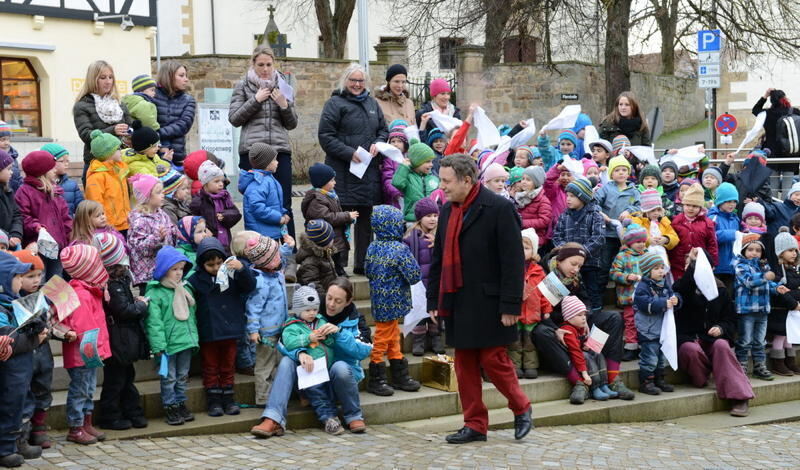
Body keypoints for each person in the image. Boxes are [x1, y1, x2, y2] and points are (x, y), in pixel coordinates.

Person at [426, 154, 532, 444]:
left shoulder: (499, 208)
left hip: (490, 301)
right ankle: (474, 424)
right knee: (464, 363)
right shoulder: (447, 210)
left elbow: (512, 260)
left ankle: (521, 407)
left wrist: (511, 304)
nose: (442, 186)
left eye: (447, 181)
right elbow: (438, 259)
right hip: (458, 299)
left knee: (493, 359)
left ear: (467, 180)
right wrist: (433, 299)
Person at [533, 243, 635, 403]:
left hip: (578, 326)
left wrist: (584, 317)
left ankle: (611, 377)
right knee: (541, 332)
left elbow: (586, 300)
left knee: (613, 318)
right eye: (573, 264)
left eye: (580, 266)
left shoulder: (575, 277)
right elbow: (543, 312)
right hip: (557, 326)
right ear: (559, 260)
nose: (576, 269)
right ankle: (580, 383)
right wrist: (557, 328)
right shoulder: (546, 274)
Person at [318, 64, 389, 274]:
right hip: (342, 172)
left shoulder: (372, 103)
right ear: (345, 81)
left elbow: (383, 130)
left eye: (361, 81)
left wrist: (379, 142)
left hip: (367, 172)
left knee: (365, 221)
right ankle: (339, 265)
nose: (357, 85)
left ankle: (363, 264)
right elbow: (326, 137)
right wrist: (349, 153)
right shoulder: (334, 103)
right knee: (341, 220)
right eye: (353, 80)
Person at [674, 248, 755, 417]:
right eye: (689, 265)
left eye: (696, 265)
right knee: (691, 350)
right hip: (689, 338)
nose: (692, 268)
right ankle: (704, 375)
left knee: (722, 345)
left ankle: (739, 396)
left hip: (711, 339)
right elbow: (684, 288)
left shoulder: (721, 290)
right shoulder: (682, 287)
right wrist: (694, 264)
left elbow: (730, 320)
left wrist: (721, 328)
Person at [229, 45, 298, 238]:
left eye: (268, 64)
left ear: (274, 64)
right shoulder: (243, 86)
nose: (265, 69)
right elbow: (234, 118)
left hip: (279, 151)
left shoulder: (284, 86)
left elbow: (292, 124)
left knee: (284, 203)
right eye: (261, 64)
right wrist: (255, 100)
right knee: (256, 203)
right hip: (252, 153)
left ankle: (288, 251)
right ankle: (254, 249)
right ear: (253, 64)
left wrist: (284, 106)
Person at [188, 238, 256, 417]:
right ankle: (214, 400)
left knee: (228, 366)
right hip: (209, 330)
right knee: (210, 366)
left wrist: (242, 269)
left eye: (219, 263)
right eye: (211, 265)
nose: (216, 268)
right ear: (202, 264)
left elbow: (250, 286)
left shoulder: (231, 274)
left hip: (230, 329)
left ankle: (228, 398)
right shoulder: (196, 280)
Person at [364, 205, 422, 396]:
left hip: (378, 300)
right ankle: (377, 376)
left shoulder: (372, 246)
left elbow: (367, 271)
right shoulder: (400, 249)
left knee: (391, 334)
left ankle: (398, 372)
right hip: (395, 300)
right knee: (383, 337)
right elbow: (414, 275)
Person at [94, 233, 149, 431]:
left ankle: (132, 411)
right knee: (115, 380)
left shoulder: (120, 280)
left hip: (124, 337)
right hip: (117, 337)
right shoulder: (111, 284)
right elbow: (124, 310)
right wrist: (141, 307)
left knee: (126, 377)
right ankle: (111, 416)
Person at [59, 244, 111, 445]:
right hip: (82, 353)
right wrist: (97, 348)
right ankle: (75, 426)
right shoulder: (80, 293)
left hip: (90, 352)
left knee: (88, 388)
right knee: (80, 389)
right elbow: (84, 328)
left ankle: (86, 422)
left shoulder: (90, 290)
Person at [0, 252, 48, 466]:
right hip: (9, 371)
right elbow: (9, 342)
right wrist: (35, 339)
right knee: (8, 406)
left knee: (19, 404)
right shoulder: (2, 309)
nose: (22, 280)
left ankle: (14, 443)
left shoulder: (14, 303)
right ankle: (5, 449)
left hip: (21, 372)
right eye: (18, 276)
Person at [145, 246, 198, 426]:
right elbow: (154, 323)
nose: (178, 273)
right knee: (169, 378)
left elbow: (192, 317)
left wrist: (194, 338)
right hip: (167, 345)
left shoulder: (185, 289)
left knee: (183, 375)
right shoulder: (155, 293)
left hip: (185, 342)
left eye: (181, 269)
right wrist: (158, 346)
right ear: (164, 269)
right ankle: (170, 406)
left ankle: (180, 402)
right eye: (174, 269)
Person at [10, 250, 54, 451]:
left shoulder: (42, 296)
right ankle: (22, 435)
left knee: (43, 387)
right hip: (25, 353)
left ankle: (39, 428)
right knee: (25, 393)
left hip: (43, 352)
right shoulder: (12, 300)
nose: (36, 280)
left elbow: (49, 322)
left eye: (39, 276)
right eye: (30, 276)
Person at [242, 234, 292, 406]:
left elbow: (279, 254)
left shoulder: (275, 272)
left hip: (280, 328)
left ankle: (275, 394)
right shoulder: (261, 282)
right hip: (265, 333)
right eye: (277, 256)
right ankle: (263, 398)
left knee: (277, 364)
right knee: (264, 366)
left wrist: (289, 246)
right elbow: (253, 309)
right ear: (269, 262)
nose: (280, 257)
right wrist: (253, 330)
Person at [14, 151, 73, 280]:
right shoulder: (24, 191)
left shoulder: (55, 191)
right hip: (38, 246)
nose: (55, 170)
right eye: (52, 168)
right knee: (39, 280)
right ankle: (41, 301)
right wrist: (37, 227)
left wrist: (69, 235)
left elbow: (65, 217)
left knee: (56, 280)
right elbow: (23, 216)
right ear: (42, 172)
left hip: (57, 246)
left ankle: (55, 301)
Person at [733, 234, 784, 381]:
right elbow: (749, 282)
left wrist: (777, 288)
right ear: (744, 251)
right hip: (747, 310)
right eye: (750, 249)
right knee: (745, 340)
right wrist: (765, 277)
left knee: (760, 341)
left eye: (758, 250)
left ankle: (759, 366)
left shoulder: (763, 265)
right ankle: (741, 366)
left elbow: (768, 284)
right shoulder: (740, 266)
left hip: (762, 309)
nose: (754, 253)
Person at [551, 178, 606, 312]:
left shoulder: (595, 215)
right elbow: (557, 236)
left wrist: (581, 252)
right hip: (567, 265)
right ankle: (567, 315)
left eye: (572, 196)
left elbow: (599, 237)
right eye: (567, 196)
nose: (568, 199)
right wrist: (566, 252)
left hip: (590, 263)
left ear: (583, 197)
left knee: (591, 290)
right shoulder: (564, 215)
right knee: (567, 290)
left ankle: (595, 316)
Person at [72, 60, 132, 180]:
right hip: (96, 164)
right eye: (103, 78)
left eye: (111, 77)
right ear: (92, 79)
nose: (108, 81)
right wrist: (113, 130)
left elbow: (130, 126)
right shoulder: (82, 105)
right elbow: (86, 135)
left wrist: (131, 134)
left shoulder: (119, 103)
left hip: (121, 162)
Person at [633, 253, 680, 394]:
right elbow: (644, 303)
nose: (661, 271)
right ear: (648, 271)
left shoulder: (665, 284)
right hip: (648, 330)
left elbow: (673, 295)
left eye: (662, 268)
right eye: (656, 268)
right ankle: (646, 382)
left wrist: (676, 300)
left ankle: (659, 380)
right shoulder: (642, 287)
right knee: (649, 357)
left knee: (661, 358)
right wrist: (662, 303)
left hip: (662, 329)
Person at [302, 162, 357, 276]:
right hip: (325, 238)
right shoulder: (317, 199)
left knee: (336, 256)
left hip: (334, 236)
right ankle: (332, 273)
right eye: (332, 180)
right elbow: (327, 217)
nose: (335, 182)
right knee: (329, 257)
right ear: (322, 183)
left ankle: (338, 270)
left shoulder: (330, 195)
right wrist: (347, 216)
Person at [404, 198, 444, 355]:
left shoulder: (440, 236)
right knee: (420, 312)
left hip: (436, 282)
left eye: (435, 215)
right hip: (419, 284)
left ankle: (435, 337)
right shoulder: (410, 238)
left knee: (436, 312)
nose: (433, 219)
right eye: (429, 216)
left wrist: (439, 243)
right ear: (420, 217)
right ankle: (419, 339)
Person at [559, 296, 617, 403]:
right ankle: (595, 387)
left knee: (598, 354)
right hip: (574, 360)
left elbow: (581, 343)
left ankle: (604, 384)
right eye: (579, 315)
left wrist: (586, 344)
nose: (584, 318)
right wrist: (585, 374)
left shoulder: (580, 328)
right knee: (586, 356)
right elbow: (575, 352)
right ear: (569, 317)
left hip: (580, 356)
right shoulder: (568, 331)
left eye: (584, 314)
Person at [127, 174, 178, 294]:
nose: (163, 195)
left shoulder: (162, 214)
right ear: (147, 197)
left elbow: (169, 234)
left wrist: (174, 232)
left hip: (162, 267)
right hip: (147, 274)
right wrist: (156, 238)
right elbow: (139, 248)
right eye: (158, 192)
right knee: (150, 301)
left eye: (162, 191)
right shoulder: (139, 220)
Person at [609, 223, 648, 360]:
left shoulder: (648, 255)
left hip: (644, 297)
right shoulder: (622, 256)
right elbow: (613, 273)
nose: (641, 244)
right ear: (630, 242)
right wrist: (626, 277)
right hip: (628, 297)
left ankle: (643, 346)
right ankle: (631, 346)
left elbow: (655, 272)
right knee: (630, 321)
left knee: (643, 321)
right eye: (638, 242)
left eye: (643, 241)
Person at [512, 229, 548, 379]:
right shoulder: (512, 268)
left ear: (533, 250)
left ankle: (530, 366)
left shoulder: (539, 271)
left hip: (532, 314)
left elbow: (545, 293)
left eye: (526, 248)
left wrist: (546, 308)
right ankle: (515, 365)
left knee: (529, 342)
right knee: (514, 343)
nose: (522, 251)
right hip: (516, 313)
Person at [752, 89, 800, 195]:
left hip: (772, 152)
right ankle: (786, 208)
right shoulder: (794, 112)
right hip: (790, 151)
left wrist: (765, 95)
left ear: (771, 101)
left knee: (773, 185)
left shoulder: (766, 114)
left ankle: (774, 207)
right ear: (785, 98)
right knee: (788, 185)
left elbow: (755, 110)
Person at [84, 131, 131, 234]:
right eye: (118, 149)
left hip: (125, 223)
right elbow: (95, 203)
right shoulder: (97, 176)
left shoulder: (119, 170)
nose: (121, 151)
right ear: (108, 152)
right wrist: (103, 223)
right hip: (108, 227)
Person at [669, 183, 718, 280]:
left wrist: (713, 263)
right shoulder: (676, 221)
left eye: (695, 206)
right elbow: (672, 244)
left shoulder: (707, 224)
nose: (690, 208)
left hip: (699, 265)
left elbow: (712, 245)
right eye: (687, 205)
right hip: (678, 266)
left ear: (700, 207)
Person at [190, 161, 242, 253]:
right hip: (207, 243)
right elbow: (192, 222)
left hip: (225, 243)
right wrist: (204, 230)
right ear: (205, 183)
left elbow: (236, 214)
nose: (221, 184)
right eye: (216, 181)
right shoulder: (198, 201)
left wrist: (225, 216)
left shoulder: (224, 197)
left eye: (222, 180)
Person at [153, 61, 196, 168]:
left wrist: (157, 134)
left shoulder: (188, 100)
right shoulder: (152, 95)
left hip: (176, 156)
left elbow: (184, 125)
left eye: (186, 75)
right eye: (181, 76)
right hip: (152, 155)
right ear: (169, 76)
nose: (186, 79)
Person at [239, 143, 286, 241]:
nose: (277, 162)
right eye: (274, 160)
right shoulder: (258, 183)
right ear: (266, 163)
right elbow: (257, 207)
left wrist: (283, 213)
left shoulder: (268, 178)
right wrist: (278, 217)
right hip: (262, 235)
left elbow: (274, 202)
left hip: (270, 231)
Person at [770, 227, 800, 376]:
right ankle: (778, 362)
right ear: (780, 252)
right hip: (780, 310)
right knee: (780, 336)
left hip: (790, 312)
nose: (794, 253)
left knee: (789, 336)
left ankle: (790, 361)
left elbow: (794, 289)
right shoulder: (778, 270)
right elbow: (781, 292)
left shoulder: (793, 269)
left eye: (795, 250)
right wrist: (794, 303)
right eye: (790, 250)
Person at [392, 140, 440, 222]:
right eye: (428, 161)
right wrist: (404, 167)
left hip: (432, 220)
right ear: (417, 162)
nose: (431, 164)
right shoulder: (408, 177)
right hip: (413, 220)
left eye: (431, 161)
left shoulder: (434, 178)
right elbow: (397, 183)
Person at [708, 183, 741, 289]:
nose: (732, 204)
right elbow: (711, 236)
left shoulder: (735, 219)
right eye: (728, 201)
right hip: (717, 266)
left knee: (728, 297)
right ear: (720, 201)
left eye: (734, 201)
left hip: (731, 266)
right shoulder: (713, 217)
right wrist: (733, 234)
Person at [42, 143, 84, 217]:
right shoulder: (40, 186)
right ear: (49, 161)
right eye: (62, 161)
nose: (66, 164)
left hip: (69, 226)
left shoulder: (72, 185)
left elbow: (81, 210)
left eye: (67, 161)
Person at [515, 166, 552, 247]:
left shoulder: (543, 200)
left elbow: (544, 221)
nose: (524, 182)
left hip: (534, 239)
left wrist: (522, 222)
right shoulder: (519, 196)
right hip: (520, 236)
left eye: (528, 180)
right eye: (523, 179)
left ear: (536, 183)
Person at [0, 150, 22, 250]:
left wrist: (16, 234)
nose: (11, 172)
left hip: (11, 243)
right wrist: (7, 237)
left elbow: (16, 214)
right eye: (8, 169)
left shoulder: (7, 191)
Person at [0, 121, 22, 192]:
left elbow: (18, 177)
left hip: (14, 195)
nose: (7, 143)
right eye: (3, 140)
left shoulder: (13, 156)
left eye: (8, 139)